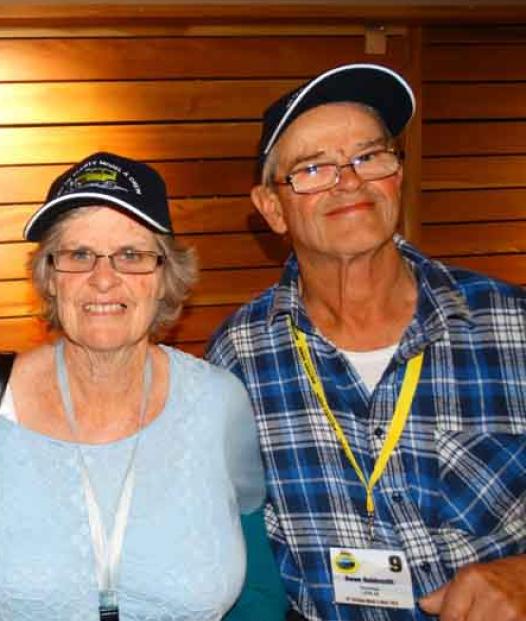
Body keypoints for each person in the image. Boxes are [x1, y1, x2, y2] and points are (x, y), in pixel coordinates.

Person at [205, 63, 526, 621]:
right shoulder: (235, 360)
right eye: (312, 168)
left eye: (369, 157)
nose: (348, 181)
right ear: (272, 208)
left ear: (397, 174)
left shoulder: (513, 324)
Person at [0, 151, 287, 620]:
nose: (104, 279)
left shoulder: (220, 402)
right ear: (50, 278)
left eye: (131, 255)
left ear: (165, 277)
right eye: (79, 254)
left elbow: (257, 581)